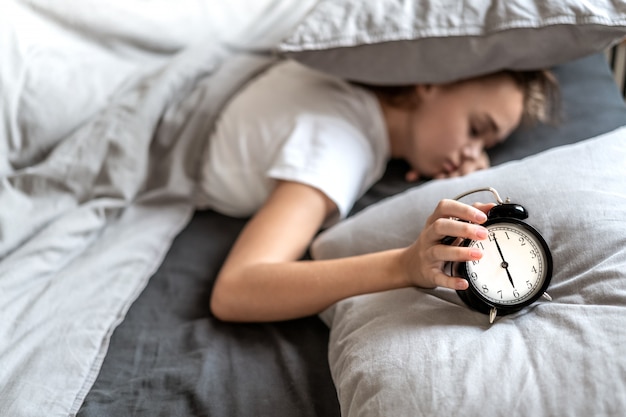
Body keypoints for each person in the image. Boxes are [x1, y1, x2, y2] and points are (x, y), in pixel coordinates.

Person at [199, 59, 559, 322]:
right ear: (434, 79)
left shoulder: (353, 79)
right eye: (476, 129)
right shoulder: (339, 148)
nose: (472, 154)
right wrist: (405, 265)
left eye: (485, 148)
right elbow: (237, 289)